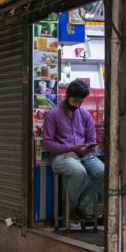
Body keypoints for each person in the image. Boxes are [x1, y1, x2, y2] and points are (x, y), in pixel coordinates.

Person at [42, 80, 104, 220]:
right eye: (75, 100)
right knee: (79, 172)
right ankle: (69, 210)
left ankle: (79, 206)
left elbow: (92, 141)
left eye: (80, 102)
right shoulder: (52, 115)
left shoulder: (85, 115)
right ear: (67, 96)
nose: (77, 104)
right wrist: (71, 148)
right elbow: (48, 144)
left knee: (103, 172)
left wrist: (82, 150)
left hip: (84, 155)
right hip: (61, 157)